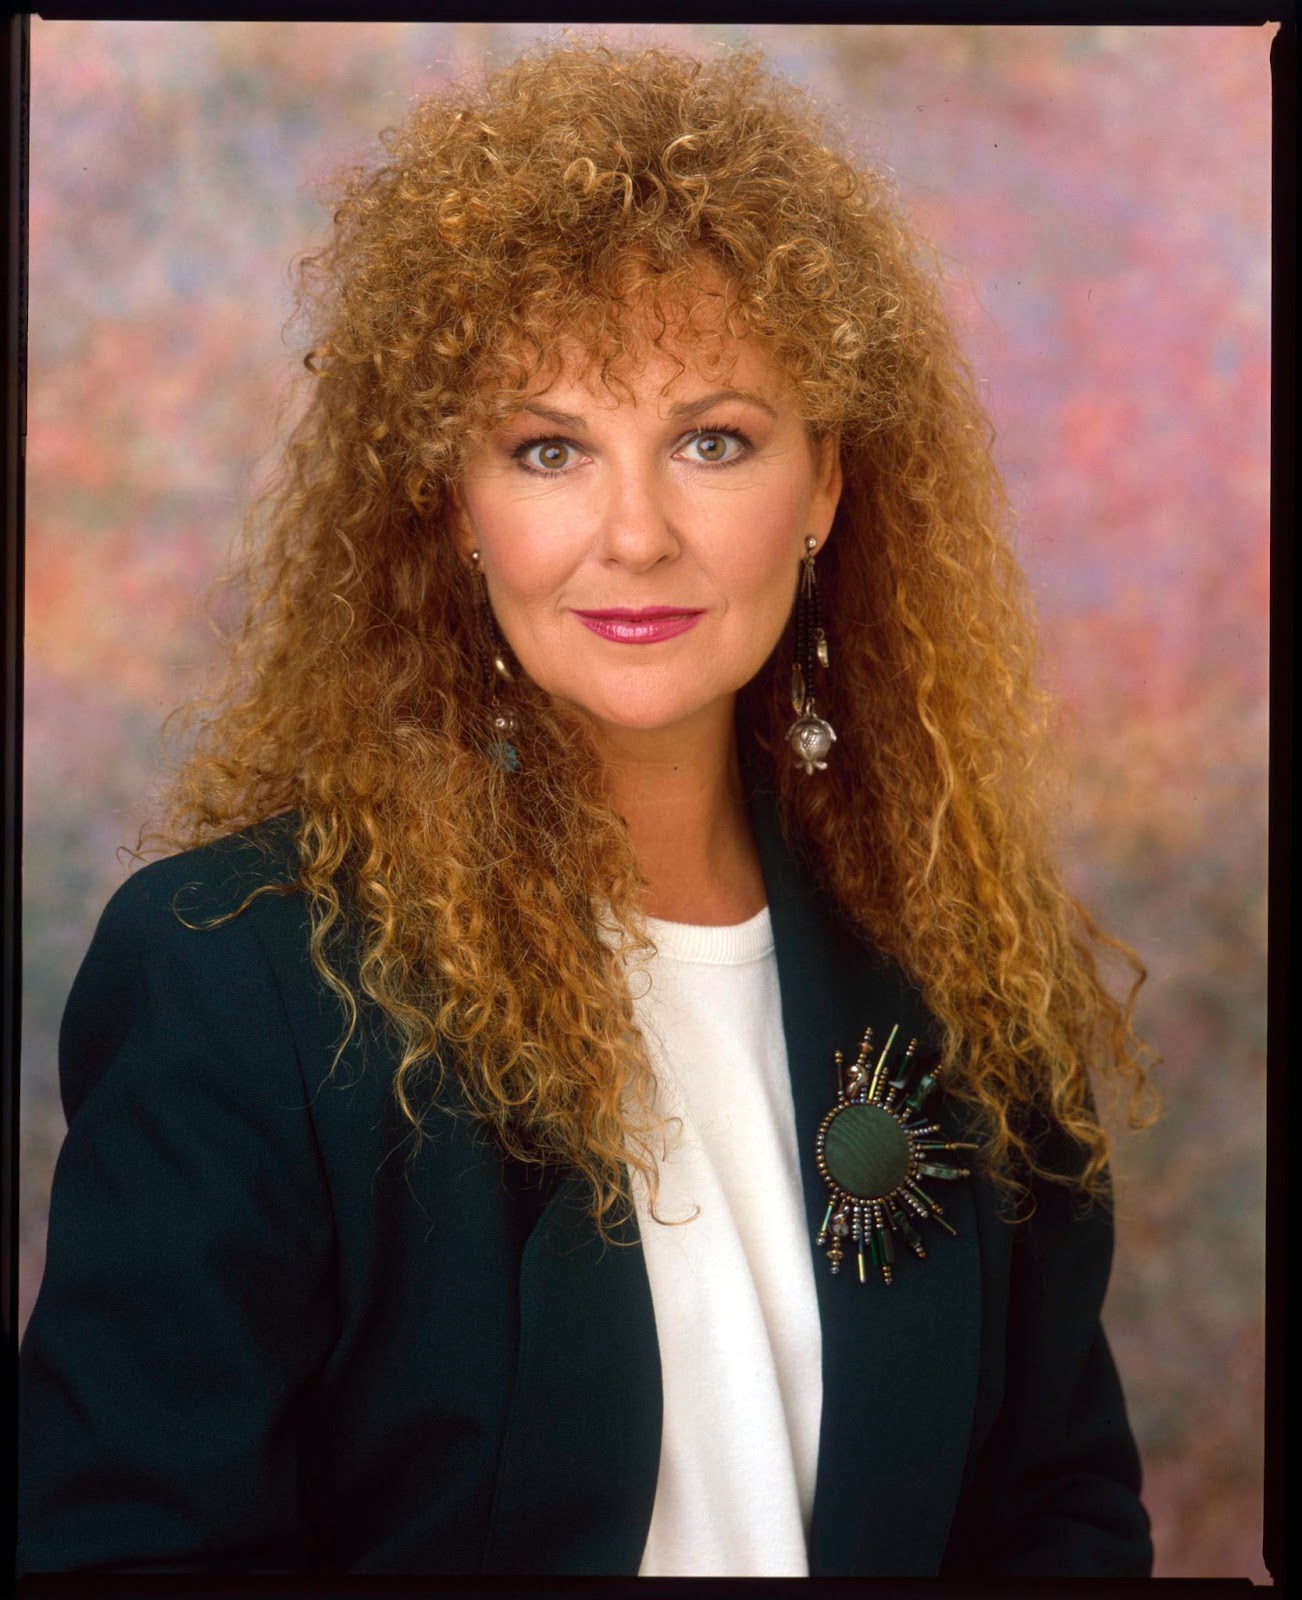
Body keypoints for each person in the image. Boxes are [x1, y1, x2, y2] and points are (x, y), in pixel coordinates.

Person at [18, 42, 1156, 1579]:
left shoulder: (960, 970)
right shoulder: (240, 975)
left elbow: (1058, 1520)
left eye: (712, 440)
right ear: (453, 502)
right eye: (547, 448)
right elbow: (128, 1557)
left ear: (822, 483)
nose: (633, 533)